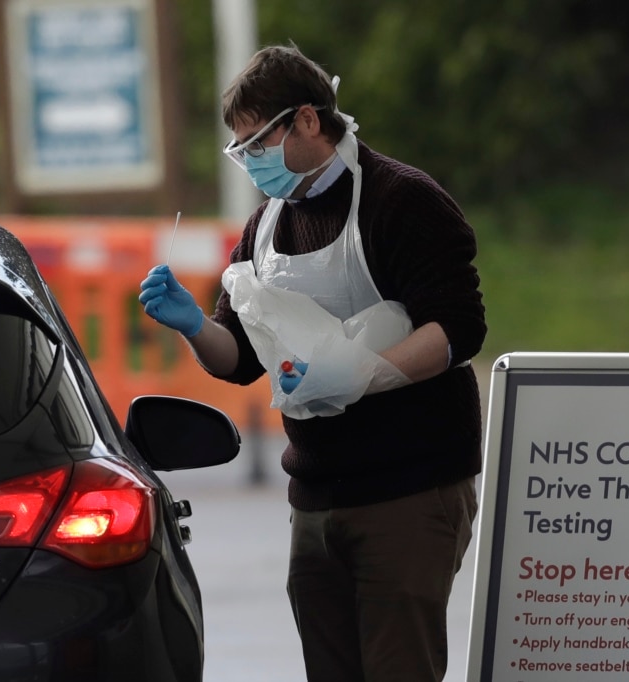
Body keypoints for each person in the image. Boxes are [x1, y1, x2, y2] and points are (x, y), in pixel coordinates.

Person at [139, 43, 485, 682]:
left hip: (410, 486)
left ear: (305, 120)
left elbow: (459, 330)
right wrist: (191, 324)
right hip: (317, 494)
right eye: (239, 149)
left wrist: (362, 375)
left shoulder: (402, 200)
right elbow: (239, 356)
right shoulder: (265, 227)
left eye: (257, 143)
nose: (250, 162)